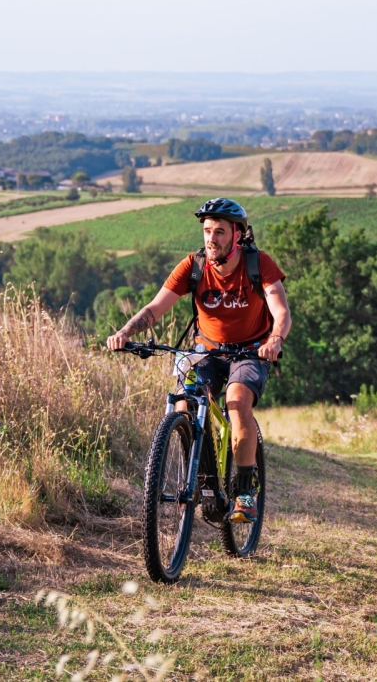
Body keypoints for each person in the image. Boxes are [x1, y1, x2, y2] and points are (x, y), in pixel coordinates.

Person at [107, 198, 291, 523]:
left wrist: (275, 339)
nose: (211, 238)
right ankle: (199, 478)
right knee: (185, 404)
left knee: (236, 402)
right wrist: (125, 331)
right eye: (207, 231)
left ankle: (245, 492)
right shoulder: (193, 266)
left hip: (249, 351)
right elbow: (154, 308)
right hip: (205, 350)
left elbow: (280, 309)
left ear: (237, 235)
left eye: (219, 232)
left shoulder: (258, 264)